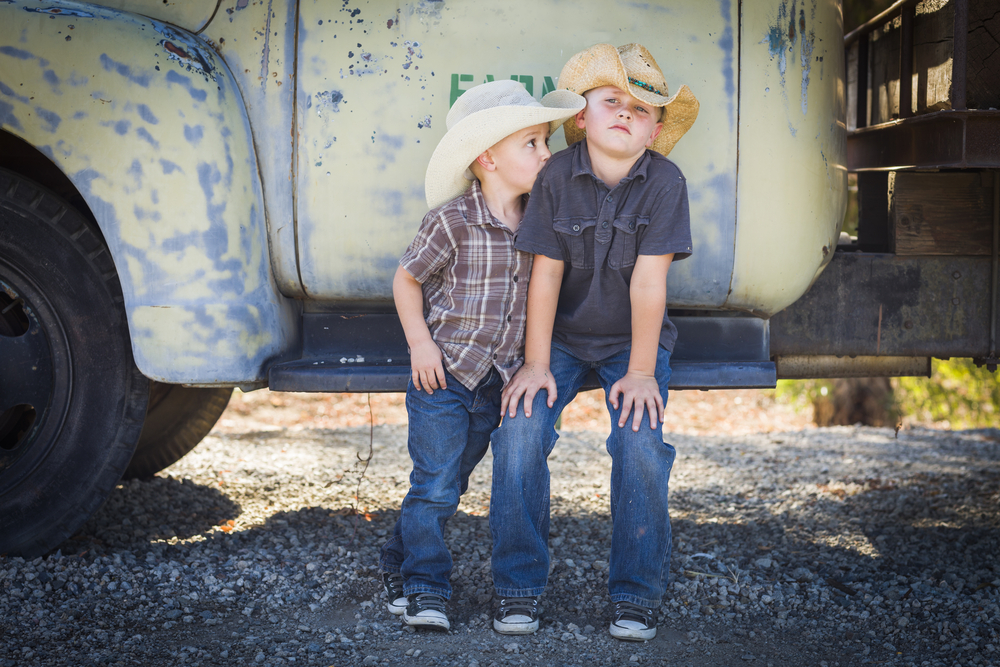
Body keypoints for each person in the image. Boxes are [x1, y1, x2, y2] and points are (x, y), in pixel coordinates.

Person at [488, 43, 699, 641]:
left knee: (639, 444)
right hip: (558, 338)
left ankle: (635, 595)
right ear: (582, 116)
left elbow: (651, 283)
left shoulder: (665, 182)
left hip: (631, 342)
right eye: (612, 101)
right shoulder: (556, 175)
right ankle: (518, 589)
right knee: (521, 432)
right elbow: (545, 274)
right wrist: (534, 363)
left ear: (656, 129)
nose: (626, 113)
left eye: (641, 108)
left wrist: (639, 372)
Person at [378, 80, 585, 631]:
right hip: (442, 377)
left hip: (496, 381)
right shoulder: (451, 221)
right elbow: (406, 280)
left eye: (545, 143)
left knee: (454, 480)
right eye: (533, 144)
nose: (547, 154)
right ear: (487, 158)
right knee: (436, 484)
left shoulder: (539, 223)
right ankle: (426, 586)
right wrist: (420, 343)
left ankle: (397, 561)